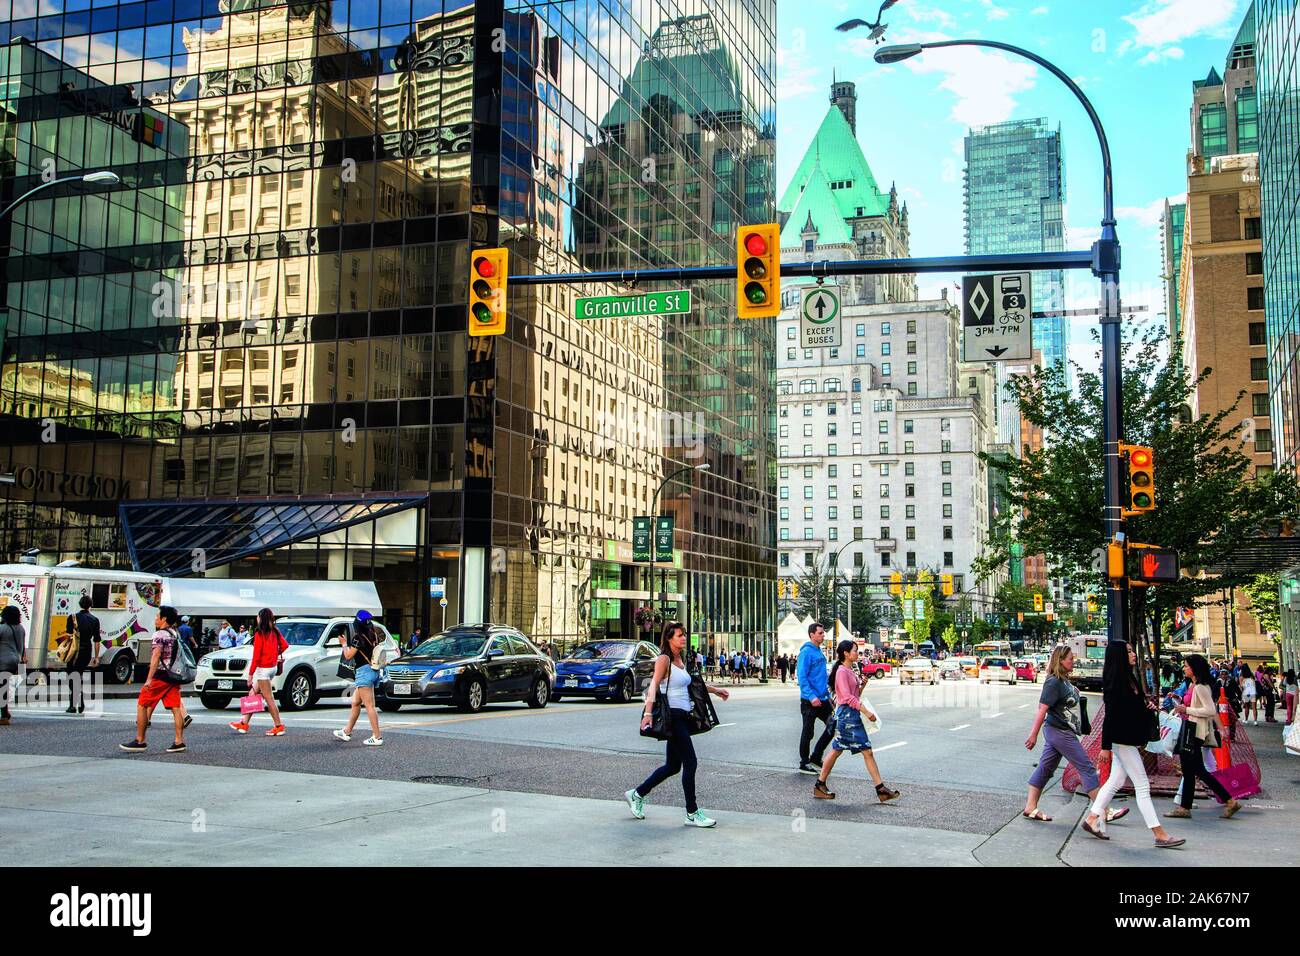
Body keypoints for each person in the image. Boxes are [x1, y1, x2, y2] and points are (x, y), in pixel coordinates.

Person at [626, 622, 729, 827]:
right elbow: (653, 685)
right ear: (669, 638)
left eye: (684, 635)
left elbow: (692, 683)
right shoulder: (664, 659)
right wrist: (647, 713)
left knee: (673, 766)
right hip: (672, 716)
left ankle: (637, 794)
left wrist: (716, 691)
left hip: (683, 716)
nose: (683, 638)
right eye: (679, 635)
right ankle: (691, 813)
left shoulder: (680, 660)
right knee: (690, 762)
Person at [1082, 641, 1184, 848]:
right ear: (1119, 656)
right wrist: (1105, 747)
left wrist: (1146, 707)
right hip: (1122, 740)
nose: (1133, 654)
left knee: (1115, 781)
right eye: (1128, 651)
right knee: (1142, 785)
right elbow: (1110, 717)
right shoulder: (1116, 682)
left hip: (1126, 739)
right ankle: (1159, 833)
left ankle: (1092, 819)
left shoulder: (1128, 678)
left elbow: (1130, 710)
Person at [1023, 644, 1129, 826]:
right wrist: (1033, 735)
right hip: (1059, 732)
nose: (1074, 661)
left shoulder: (1063, 681)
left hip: (1062, 731)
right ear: (1060, 660)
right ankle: (1104, 810)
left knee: (1046, 768)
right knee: (1086, 767)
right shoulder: (1053, 682)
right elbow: (1042, 709)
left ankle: (1030, 807)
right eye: (1070, 658)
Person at [813, 640, 899, 803]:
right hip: (847, 718)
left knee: (839, 750)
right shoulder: (842, 672)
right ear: (845, 653)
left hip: (849, 716)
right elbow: (846, 698)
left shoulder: (848, 670)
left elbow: (854, 695)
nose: (857, 654)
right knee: (864, 751)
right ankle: (880, 789)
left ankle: (820, 784)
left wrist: (862, 686)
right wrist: (866, 711)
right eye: (855, 651)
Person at [1167, 654, 1241, 820]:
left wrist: (1186, 710)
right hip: (1192, 731)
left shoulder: (1200, 687)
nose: (1184, 668)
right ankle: (1186, 807)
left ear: (1194, 668)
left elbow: (1209, 710)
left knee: (1196, 770)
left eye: (1186, 665)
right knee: (1193, 770)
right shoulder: (1195, 685)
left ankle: (1227, 800)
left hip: (1195, 732)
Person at [119, 605, 188, 754]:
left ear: (164, 619)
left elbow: (156, 657)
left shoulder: (159, 635)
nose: (155, 619)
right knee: (176, 708)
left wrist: (149, 679)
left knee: (142, 704)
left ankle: (140, 740)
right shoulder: (175, 633)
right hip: (174, 675)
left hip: (161, 675)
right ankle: (178, 741)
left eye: (157, 616)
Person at [229, 608, 287, 737]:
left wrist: (250, 675)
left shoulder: (260, 633)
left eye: (258, 616)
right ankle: (244, 723)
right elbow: (285, 645)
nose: (256, 618)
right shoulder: (275, 631)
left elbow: (256, 657)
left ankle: (278, 726)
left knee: (269, 698)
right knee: (253, 693)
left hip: (263, 670)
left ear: (261, 618)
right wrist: (274, 654)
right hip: (272, 667)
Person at [334, 610, 384, 746]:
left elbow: (348, 656)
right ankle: (346, 731)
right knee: (356, 702)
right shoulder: (374, 634)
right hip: (373, 670)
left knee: (369, 706)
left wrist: (344, 643)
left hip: (363, 672)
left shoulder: (358, 638)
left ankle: (377, 736)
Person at [796, 622, 834, 774]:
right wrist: (811, 696)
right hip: (809, 701)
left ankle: (816, 756)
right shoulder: (806, 652)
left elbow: (821, 677)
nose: (823, 635)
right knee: (808, 732)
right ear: (812, 635)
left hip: (823, 699)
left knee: (833, 725)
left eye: (823, 633)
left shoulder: (819, 651)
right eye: (820, 633)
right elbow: (802, 677)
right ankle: (804, 763)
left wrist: (828, 695)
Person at [65, 596, 102, 714]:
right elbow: (97, 640)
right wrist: (96, 657)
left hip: (74, 651)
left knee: (72, 676)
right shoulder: (95, 619)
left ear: (80, 604)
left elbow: (69, 635)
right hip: (87, 651)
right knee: (78, 674)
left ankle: (74, 703)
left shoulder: (72, 617)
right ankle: (77, 702)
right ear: (90, 605)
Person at [0, 605, 27, 726]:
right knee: (4, 687)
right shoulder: (21, 628)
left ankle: (4, 715)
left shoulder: (2, 628)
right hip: (16, 661)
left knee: (2, 688)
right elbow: (22, 646)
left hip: (3, 661)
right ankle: (5, 712)